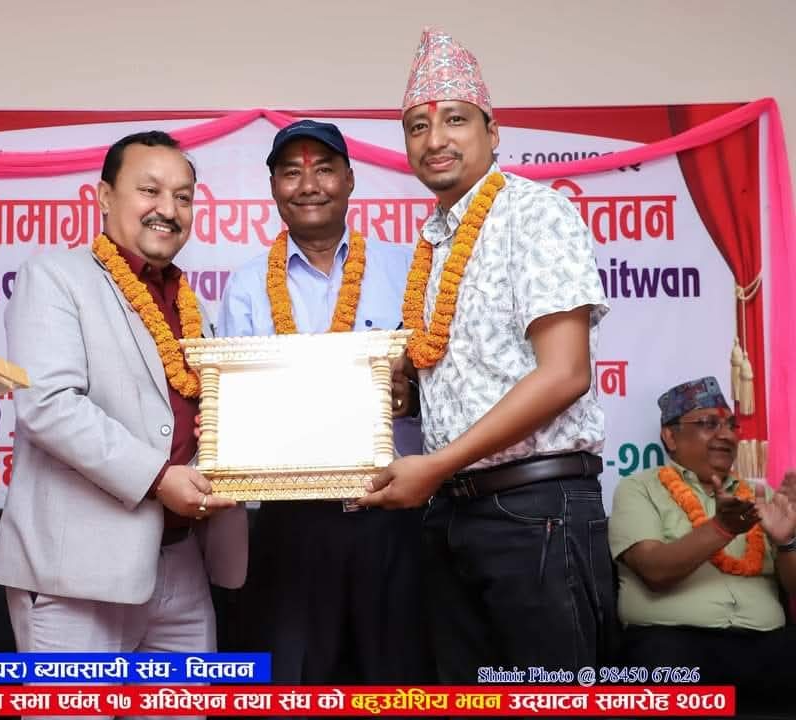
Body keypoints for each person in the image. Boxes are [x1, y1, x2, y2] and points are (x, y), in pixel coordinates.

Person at [359, 28, 617, 679]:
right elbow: (454, 372)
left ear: (492, 131)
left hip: (536, 512)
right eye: (418, 126)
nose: (435, 139)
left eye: (455, 120)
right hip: (454, 514)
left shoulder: (534, 212)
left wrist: (435, 465)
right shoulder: (433, 243)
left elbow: (565, 373)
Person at [0, 131, 247, 707]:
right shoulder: (54, 278)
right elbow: (48, 405)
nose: (168, 209)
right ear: (104, 197)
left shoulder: (190, 303)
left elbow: (203, 414)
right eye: (150, 190)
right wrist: (158, 477)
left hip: (182, 562)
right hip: (79, 573)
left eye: (183, 197)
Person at [217, 120, 428, 684]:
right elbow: (234, 406)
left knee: (395, 687)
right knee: (295, 687)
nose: (308, 185)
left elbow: (442, 379)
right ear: (273, 188)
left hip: (392, 516)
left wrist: (412, 397)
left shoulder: (408, 270)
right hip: (292, 524)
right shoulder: (246, 287)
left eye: (324, 169)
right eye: (291, 172)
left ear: (350, 180)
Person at [609, 376, 796, 697]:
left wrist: (787, 542)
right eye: (709, 424)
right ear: (670, 436)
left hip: (767, 643)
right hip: (673, 645)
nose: (726, 435)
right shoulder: (639, 489)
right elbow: (655, 570)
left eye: (731, 426)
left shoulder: (761, 497)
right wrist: (721, 529)